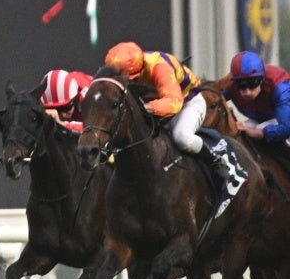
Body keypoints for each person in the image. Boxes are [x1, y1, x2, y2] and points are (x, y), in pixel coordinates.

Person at [104, 40, 240, 194]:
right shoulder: (123, 70)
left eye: (132, 80)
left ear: (139, 70)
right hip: (155, 108)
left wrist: (146, 108)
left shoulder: (160, 67)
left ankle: (215, 162)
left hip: (187, 102)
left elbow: (174, 103)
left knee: (182, 137)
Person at [221, 50, 290, 145]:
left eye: (253, 84)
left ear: (262, 79)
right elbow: (208, 100)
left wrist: (256, 133)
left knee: (257, 129)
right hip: (259, 120)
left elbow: (286, 129)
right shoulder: (230, 87)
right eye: (241, 86)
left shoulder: (279, 87)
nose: (247, 92)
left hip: (285, 121)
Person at [40, 68, 94, 132]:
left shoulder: (90, 99)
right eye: (54, 109)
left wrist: (64, 124)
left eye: (66, 107)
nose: (62, 115)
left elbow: (100, 130)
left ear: (75, 98)